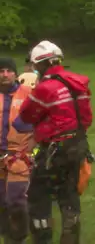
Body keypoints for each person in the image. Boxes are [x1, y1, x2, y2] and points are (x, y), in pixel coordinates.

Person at [18, 40, 93, 244]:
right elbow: (86, 119)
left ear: (41, 65)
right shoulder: (79, 82)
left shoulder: (45, 88)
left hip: (54, 150)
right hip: (78, 146)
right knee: (69, 195)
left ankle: (42, 240)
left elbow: (26, 115)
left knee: (38, 195)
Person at [0, 58, 35, 244]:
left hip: (19, 156)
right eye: (1, 71)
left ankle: (18, 238)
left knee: (16, 201)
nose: (5, 75)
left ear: (15, 73)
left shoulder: (29, 94)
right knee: (2, 203)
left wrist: (32, 146)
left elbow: (43, 120)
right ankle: (7, 235)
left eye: (9, 70)